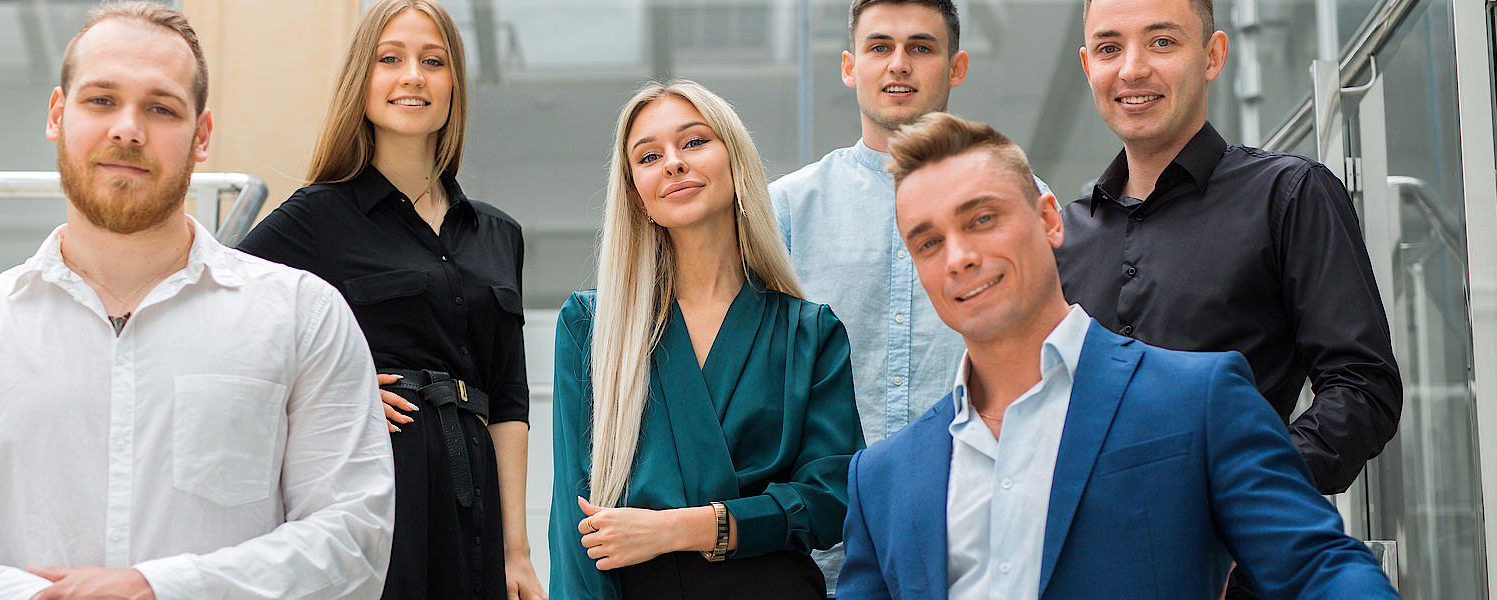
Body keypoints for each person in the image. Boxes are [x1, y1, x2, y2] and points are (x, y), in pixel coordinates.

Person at [0, 3, 394, 599]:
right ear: (58, 115)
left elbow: (354, 540)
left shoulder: (302, 317)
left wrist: (158, 590)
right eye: (101, 100)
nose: (128, 128)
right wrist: (24, 596)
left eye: (161, 108)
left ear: (202, 136)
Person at [838, 111, 1398, 600]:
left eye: (981, 219)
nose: (958, 257)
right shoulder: (882, 479)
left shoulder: (1200, 401)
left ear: (1050, 219)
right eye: (928, 242)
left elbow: (1318, 567)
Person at [233, 2, 542, 599]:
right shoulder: (317, 217)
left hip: (473, 494)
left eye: (434, 61)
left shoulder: (499, 235)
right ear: (363, 81)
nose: (413, 77)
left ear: (454, 85)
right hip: (374, 486)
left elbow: (508, 399)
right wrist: (326, 387)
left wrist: (517, 551)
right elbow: (221, 314)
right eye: (390, 59)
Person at [549, 80, 866, 600]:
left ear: (735, 162)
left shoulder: (810, 332)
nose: (673, 163)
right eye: (648, 156)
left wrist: (681, 529)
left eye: (694, 142)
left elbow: (833, 500)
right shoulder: (590, 325)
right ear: (636, 193)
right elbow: (573, 519)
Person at [767, 3, 1042, 585]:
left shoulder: (1021, 200)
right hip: (823, 555)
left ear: (956, 66)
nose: (899, 65)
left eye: (921, 47)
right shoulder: (784, 211)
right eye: (879, 47)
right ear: (849, 66)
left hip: (983, 539)